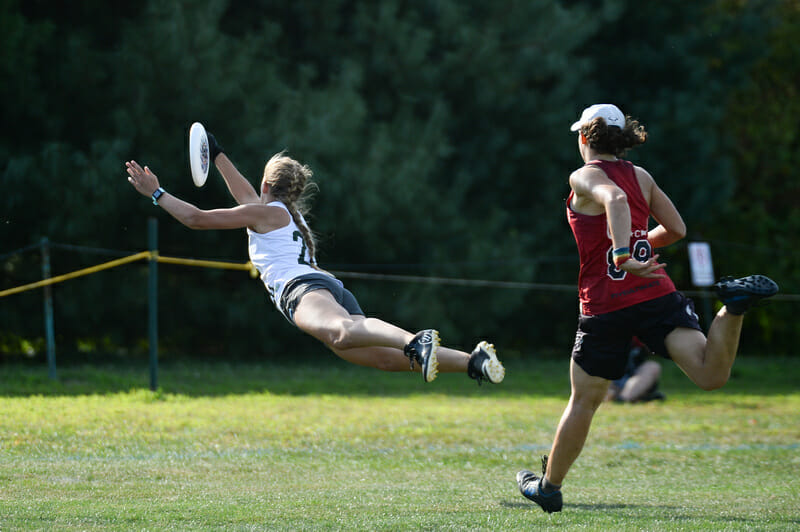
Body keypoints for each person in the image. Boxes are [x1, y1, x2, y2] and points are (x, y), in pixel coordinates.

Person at [516, 104, 778, 513]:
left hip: (605, 308)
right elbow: (676, 230)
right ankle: (734, 310)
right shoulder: (641, 175)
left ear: (584, 138)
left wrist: (621, 255)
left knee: (584, 401)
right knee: (710, 374)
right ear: (620, 139)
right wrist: (640, 249)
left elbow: (615, 199)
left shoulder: (584, 176)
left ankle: (548, 488)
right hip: (655, 295)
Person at [125, 132, 504, 385]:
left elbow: (196, 219)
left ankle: (415, 339)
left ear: (267, 186)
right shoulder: (280, 213)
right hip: (327, 288)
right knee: (380, 358)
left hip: (304, 289)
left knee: (342, 334)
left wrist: (156, 193)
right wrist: (217, 152)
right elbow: (245, 193)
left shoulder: (269, 213)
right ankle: (472, 361)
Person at [604, 338, 665, 403]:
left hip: (633, 376)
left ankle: (623, 398)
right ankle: (616, 396)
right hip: (611, 378)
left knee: (653, 367)